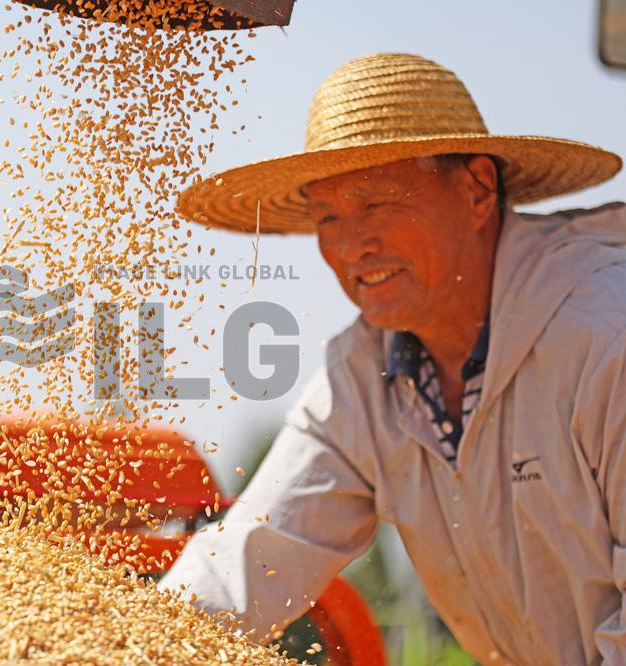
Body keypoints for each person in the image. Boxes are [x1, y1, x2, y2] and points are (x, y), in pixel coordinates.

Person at [161, 52, 625, 665]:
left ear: (477, 189)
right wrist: (125, 645)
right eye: (329, 218)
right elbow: (252, 556)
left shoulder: (603, 337)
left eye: (377, 205)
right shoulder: (362, 379)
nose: (353, 247)